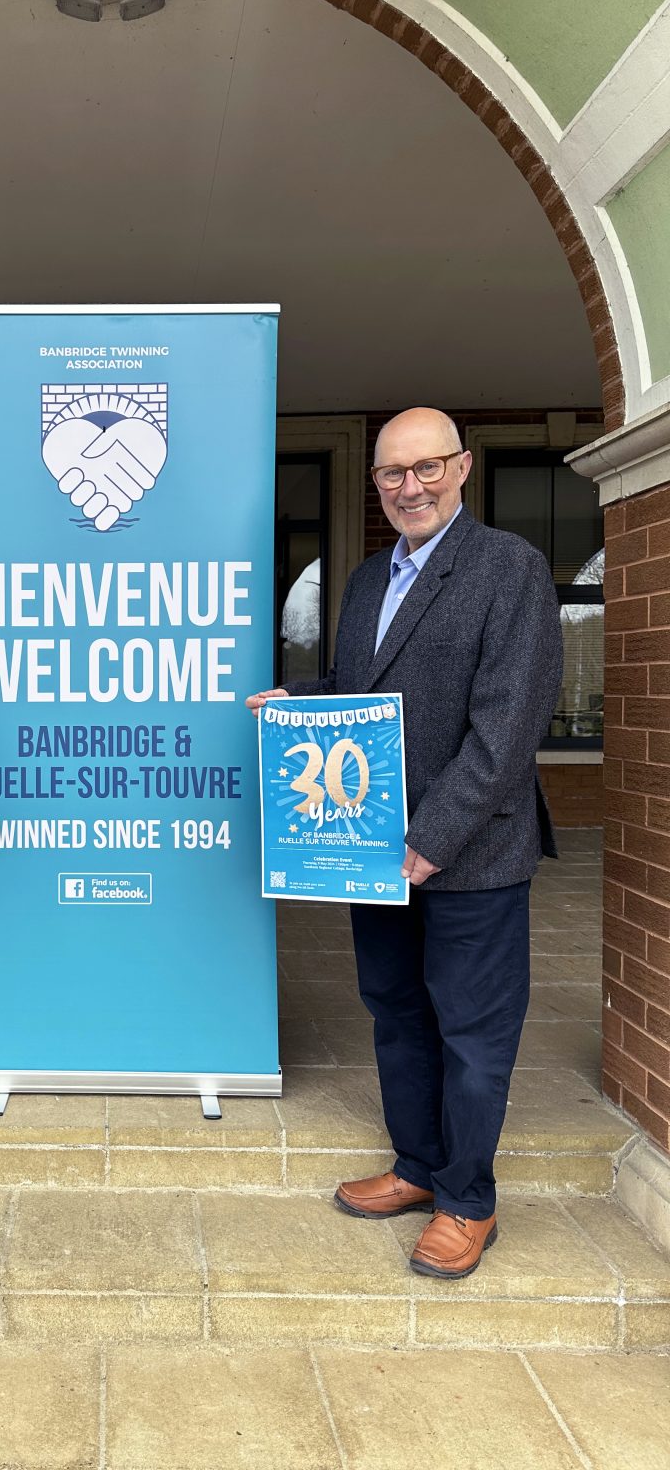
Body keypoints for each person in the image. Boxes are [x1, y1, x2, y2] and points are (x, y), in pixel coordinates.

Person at [248, 407, 563, 1278]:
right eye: (392, 473)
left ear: (462, 468)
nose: (409, 486)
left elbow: (508, 728)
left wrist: (433, 839)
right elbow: (366, 692)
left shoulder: (509, 568)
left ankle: (469, 1200)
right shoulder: (363, 581)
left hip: (470, 854)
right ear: (376, 483)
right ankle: (418, 1168)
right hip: (374, 851)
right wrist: (299, 701)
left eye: (426, 468)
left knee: (472, 1031)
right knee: (395, 1012)